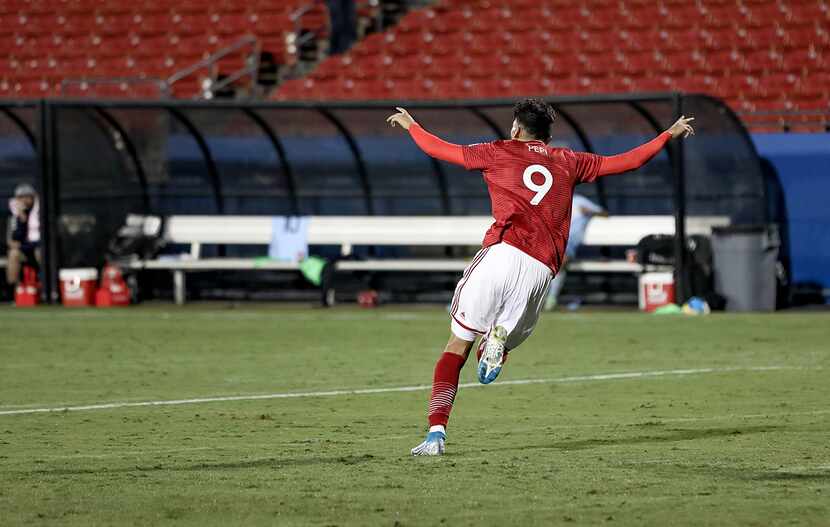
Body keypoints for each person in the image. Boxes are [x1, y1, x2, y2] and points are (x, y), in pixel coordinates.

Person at [386, 98, 694, 456]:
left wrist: (412, 124)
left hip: (501, 254)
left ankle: (436, 433)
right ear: (548, 135)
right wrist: (666, 135)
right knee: (501, 339)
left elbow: (438, 149)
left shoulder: (497, 151)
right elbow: (627, 161)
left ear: (516, 128)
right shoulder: (570, 161)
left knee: (456, 345)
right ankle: (496, 341)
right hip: (539, 270)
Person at [543, 193, 607, 311]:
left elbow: (604, 213)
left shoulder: (580, 200)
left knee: (560, 261)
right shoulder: (553, 200)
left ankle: (551, 298)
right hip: (552, 239)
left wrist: (589, 212)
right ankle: (541, 297)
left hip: (569, 242)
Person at [6, 183, 41, 289]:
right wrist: (21, 219)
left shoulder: (40, 212)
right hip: (24, 248)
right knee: (13, 254)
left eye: (28, 197)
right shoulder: (14, 215)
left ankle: (43, 286)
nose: (25, 200)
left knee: (40, 253)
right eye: (21, 197)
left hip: (38, 246)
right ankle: (16, 289)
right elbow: (13, 239)